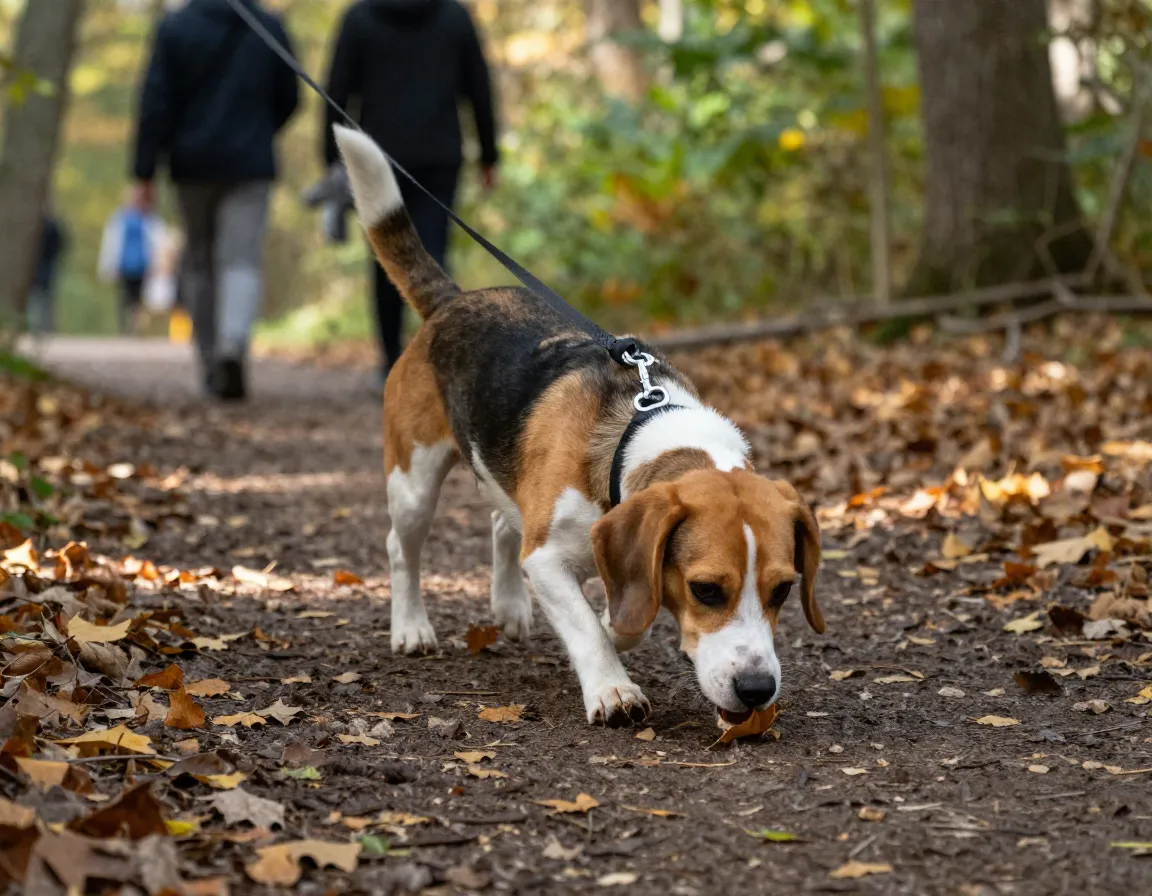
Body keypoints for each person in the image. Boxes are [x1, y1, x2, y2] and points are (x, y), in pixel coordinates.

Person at [322, 0, 499, 388]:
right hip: (438, 154)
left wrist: (331, 159)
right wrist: (489, 153)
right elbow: (478, 86)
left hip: (377, 158)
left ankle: (390, 363)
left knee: (385, 257)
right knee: (432, 254)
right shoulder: (453, 16)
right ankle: (437, 365)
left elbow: (335, 90)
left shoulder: (359, 18)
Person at [132, 0, 299, 400]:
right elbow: (290, 96)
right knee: (240, 258)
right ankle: (232, 346)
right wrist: (259, 131)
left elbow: (155, 102)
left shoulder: (176, 28)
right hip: (250, 163)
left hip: (191, 164)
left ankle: (209, 360)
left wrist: (143, 171)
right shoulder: (268, 27)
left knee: (200, 260)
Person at [97, 193, 165, 335]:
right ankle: (125, 327)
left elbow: (156, 243)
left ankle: (135, 327)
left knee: (137, 297)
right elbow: (112, 244)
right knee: (126, 297)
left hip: (141, 265)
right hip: (125, 265)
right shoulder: (120, 220)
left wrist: (156, 264)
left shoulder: (148, 220)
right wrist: (110, 264)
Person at [28, 210, 67, 336]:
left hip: (46, 265)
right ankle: (38, 326)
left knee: (44, 297)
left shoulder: (51, 225)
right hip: (37, 266)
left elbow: (61, 244)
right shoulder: (31, 223)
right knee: (37, 297)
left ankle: (44, 326)